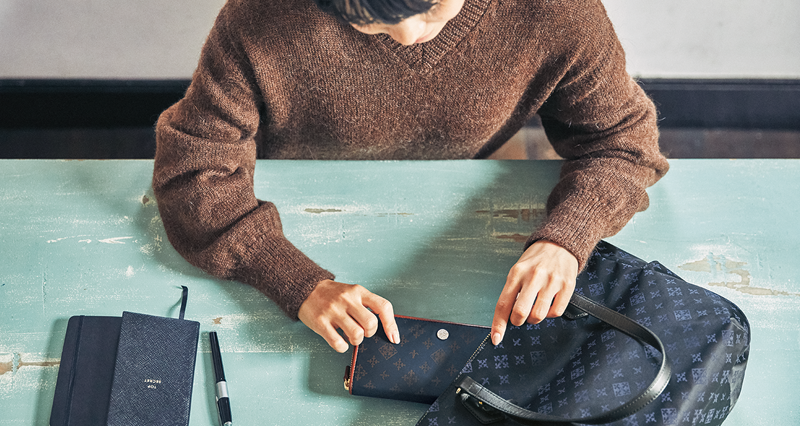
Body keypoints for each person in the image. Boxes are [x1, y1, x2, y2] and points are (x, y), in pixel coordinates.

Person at [153, 0, 669, 353]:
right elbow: (194, 170)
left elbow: (624, 143)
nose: (408, 35)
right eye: (368, 20)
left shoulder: (559, 12)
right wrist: (295, 281)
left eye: (433, 6)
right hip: (294, 194)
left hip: (457, 203)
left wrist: (567, 238)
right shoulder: (258, 18)